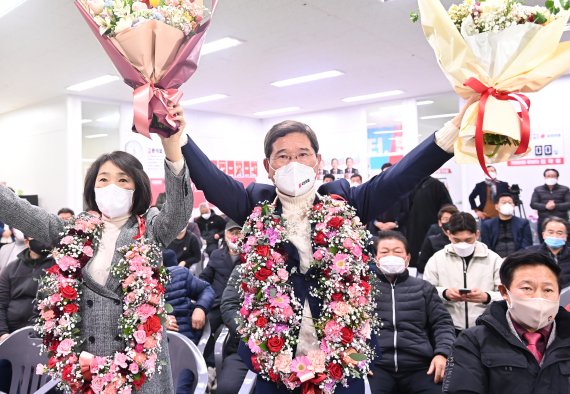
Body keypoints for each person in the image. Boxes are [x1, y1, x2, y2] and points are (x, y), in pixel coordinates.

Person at [179, 96, 477, 393]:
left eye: (303, 154)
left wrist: (452, 130)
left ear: (318, 162)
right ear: (268, 166)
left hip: (344, 353)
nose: (293, 163)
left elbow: (402, 177)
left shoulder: (347, 202)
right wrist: (178, 133)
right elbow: (210, 179)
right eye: (282, 156)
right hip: (274, 355)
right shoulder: (256, 205)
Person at [0, 118, 193, 393]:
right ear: (92, 187)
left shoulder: (150, 227)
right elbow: (24, 213)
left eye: (123, 179)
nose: (111, 186)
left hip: (139, 374)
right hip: (85, 368)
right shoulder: (75, 230)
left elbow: (178, 211)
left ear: (137, 187)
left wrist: (173, 152)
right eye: (103, 179)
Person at [442, 250, 570, 394]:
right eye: (527, 288)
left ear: (559, 294)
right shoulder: (473, 341)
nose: (538, 297)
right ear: (504, 292)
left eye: (548, 290)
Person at [368, 231, 455, 394]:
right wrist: (359, 361)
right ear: (375, 258)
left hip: (420, 367)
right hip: (377, 366)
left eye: (398, 251)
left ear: (408, 257)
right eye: (385, 252)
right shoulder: (363, 289)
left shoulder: (423, 288)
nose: (391, 256)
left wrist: (443, 354)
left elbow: (442, 324)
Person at [424, 212, 503, 334]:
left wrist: (486, 297)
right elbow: (426, 292)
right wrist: (445, 293)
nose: (463, 245)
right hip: (448, 327)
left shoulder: (493, 259)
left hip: (485, 327)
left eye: (468, 240)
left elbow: (507, 295)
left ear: (477, 234)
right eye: (457, 240)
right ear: (448, 234)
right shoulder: (437, 259)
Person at [162, 249, 215, 394]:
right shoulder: (134, 282)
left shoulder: (178, 274)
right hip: (148, 348)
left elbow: (207, 290)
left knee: (179, 387)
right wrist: (158, 318)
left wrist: (201, 308)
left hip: (182, 343)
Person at [199, 220, 243, 335]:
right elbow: (204, 278)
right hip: (217, 304)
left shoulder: (250, 257)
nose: (235, 236)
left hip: (239, 306)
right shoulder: (216, 254)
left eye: (238, 232)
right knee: (203, 328)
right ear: (225, 234)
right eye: (231, 232)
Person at [217, 265, 251, 394]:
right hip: (244, 347)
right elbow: (229, 305)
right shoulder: (244, 269)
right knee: (227, 388)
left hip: (290, 355)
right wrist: (248, 332)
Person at [406, 175, 453, 269]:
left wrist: (442, 221)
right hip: (411, 229)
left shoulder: (436, 185)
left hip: (432, 228)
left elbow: (447, 207)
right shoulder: (408, 185)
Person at [480, 193, 532, 257]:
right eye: (504, 202)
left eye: (510, 202)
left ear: (513, 205)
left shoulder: (523, 223)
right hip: (495, 260)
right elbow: (486, 247)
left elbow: (527, 245)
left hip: (518, 259)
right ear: (496, 206)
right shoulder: (487, 225)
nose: (507, 205)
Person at [526, 217, 570, 289]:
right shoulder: (530, 254)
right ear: (543, 235)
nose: (555, 236)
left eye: (559, 233)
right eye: (550, 232)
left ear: (566, 236)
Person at [417, 205, 459, 275]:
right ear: (439, 222)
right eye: (446, 219)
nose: (449, 222)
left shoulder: (463, 240)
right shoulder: (432, 241)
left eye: (452, 219)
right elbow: (421, 266)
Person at [530, 168, 570, 243]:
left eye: (553, 176)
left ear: (557, 177)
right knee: (544, 243)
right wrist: (545, 206)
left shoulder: (565, 189)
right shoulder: (538, 189)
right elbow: (533, 204)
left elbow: (568, 204)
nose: (550, 178)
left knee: (564, 243)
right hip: (544, 221)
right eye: (548, 176)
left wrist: (556, 206)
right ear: (544, 177)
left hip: (562, 221)